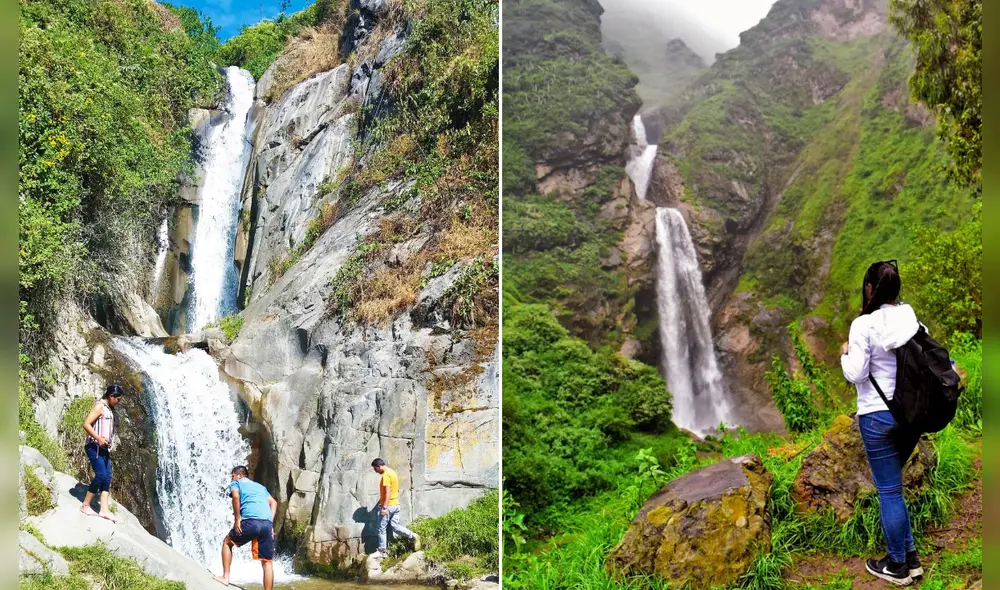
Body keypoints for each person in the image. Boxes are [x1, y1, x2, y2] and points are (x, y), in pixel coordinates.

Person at [840, 260, 923, 586]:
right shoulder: (909, 316)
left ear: (870, 289)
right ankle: (912, 559)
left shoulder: (863, 325)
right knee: (895, 491)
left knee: (889, 492)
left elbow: (857, 373)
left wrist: (845, 354)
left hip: (876, 416)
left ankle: (896, 567)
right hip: (909, 415)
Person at [213, 466, 278, 590]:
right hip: (266, 524)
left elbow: (236, 497)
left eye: (232, 476)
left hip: (251, 522)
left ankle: (225, 577)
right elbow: (273, 502)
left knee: (227, 543)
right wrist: (270, 523)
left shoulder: (236, 483)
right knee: (267, 562)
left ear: (238, 475)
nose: (232, 478)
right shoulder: (260, 487)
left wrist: (237, 519)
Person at [80, 384, 124, 522]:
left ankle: (104, 510)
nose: (119, 402)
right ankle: (85, 505)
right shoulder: (100, 406)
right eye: (118, 399)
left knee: (107, 476)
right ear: (111, 396)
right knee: (101, 475)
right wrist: (98, 438)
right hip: (94, 446)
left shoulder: (109, 409)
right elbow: (86, 423)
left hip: (104, 448)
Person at [371, 458, 420, 557]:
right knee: (395, 526)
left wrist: (384, 507)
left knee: (381, 528)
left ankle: (382, 551)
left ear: (378, 466)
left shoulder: (386, 475)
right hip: (396, 505)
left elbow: (388, 492)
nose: (376, 472)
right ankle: (413, 535)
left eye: (375, 469)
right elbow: (395, 490)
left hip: (388, 506)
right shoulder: (393, 473)